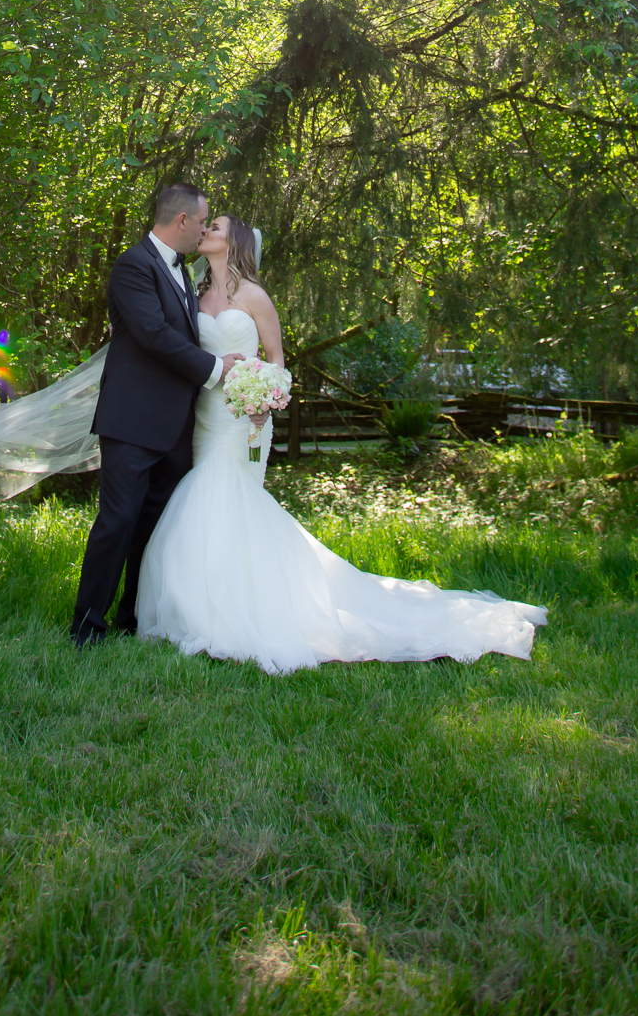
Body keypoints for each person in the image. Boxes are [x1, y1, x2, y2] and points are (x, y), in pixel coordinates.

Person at [133, 213, 548, 674]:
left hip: (243, 422)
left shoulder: (254, 296)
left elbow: (278, 363)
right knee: (215, 505)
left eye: (217, 227)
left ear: (236, 243)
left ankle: (234, 613)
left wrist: (264, 400)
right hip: (204, 416)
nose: (206, 230)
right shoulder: (191, 294)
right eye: (207, 226)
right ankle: (206, 605)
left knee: (221, 496)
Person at [69, 182, 247, 647]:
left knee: (153, 526)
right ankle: (87, 626)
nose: (205, 229)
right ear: (182, 221)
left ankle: (132, 618)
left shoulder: (184, 274)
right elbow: (152, 333)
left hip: (175, 427)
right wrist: (215, 368)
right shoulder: (133, 265)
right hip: (131, 420)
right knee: (118, 520)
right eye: (202, 221)